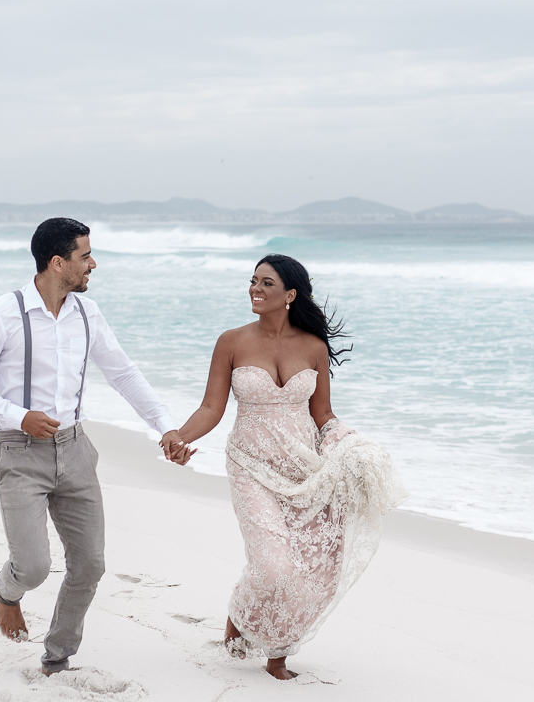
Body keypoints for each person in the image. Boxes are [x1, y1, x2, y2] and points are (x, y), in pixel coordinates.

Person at [0, 217, 185, 675]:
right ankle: (5, 590)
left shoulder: (86, 313)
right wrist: (18, 415)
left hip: (76, 449)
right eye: (85, 256)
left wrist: (165, 426)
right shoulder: (3, 313)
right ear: (57, 263)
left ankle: (57, 656)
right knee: (33, 568)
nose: (92, 264)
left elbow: (123, 373)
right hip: (19, 451)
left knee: (90, 564)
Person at [161, 254, 405, 680]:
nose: (255, 289)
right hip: (250, 465)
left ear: (290, 294)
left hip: (305, 469)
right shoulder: (232, 341)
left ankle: (277, 654)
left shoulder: (313, 347)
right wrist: (180, 436)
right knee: (274, 566)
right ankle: (240, 615)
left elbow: (322, 413)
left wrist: (351, 443)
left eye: (267, 283)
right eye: (253, 281)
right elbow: (211, 408)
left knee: (316, 565)